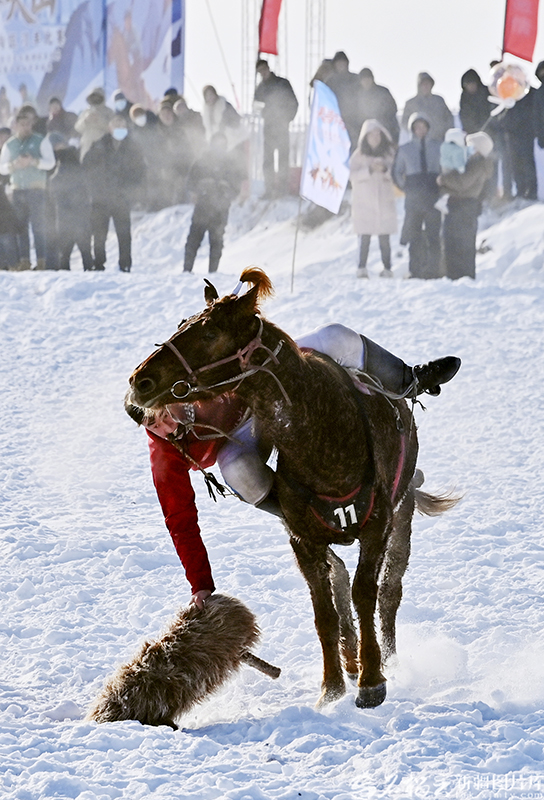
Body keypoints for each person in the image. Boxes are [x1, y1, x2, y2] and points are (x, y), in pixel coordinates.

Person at [125, 322, 461, 608]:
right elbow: (180, 520)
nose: (168, 426)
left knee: (334, 337)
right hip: (244, 435)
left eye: (164, 413)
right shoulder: (166, 454)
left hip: (261, 382)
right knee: (237, 471)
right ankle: (308, 518)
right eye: (156, 427)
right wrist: (201, 585)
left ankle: (409, 380)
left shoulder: (184, 378)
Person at [82, 114, 145, 272]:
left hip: (122, 197)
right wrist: (94, 188)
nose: (119, 129)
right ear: (110, 128)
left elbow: (140, 171)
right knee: (99, 234)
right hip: (100, 197)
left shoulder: (133, 147)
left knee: (124, 234)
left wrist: (132, 190)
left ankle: (125, 264)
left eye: (122, 126)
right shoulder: (98, 145)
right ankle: (99, 263)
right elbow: (86, 168)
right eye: (116, 125)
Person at [0, 109, 55, 270]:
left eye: (28, 124)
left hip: (36, 189)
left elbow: (51, 163)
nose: (25, 127)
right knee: (21, 227)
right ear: (16, 125)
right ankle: (24, 260)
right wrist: (14, 165)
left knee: (38, 226)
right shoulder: (10, 144)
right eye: (22, 124)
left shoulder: (40, 141)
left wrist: (34, 162)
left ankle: (41, 260)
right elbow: (2, 167)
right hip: (18, 189)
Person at [183, 132, 246, 273]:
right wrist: (202, 187)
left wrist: (225, 190)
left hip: (221, 209)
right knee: (194, 239)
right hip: (202, 206)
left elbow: (237, 187)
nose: (219, 147)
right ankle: (187, 270)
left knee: (216, 241)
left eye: (222, 144)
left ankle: (213, 272)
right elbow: (190, 182)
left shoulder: (231, 164)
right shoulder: (201, 161)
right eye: (217, 143)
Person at [438, 131, 495, 280]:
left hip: (463, 208)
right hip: (462, 206)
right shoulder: (473, 163)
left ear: (478, 148)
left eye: (470, 145)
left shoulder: (477, 165)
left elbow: (461, 183)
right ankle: (458, 276)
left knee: (460, 245)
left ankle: (461, 277)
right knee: (456, 244)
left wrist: (443, 180)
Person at [393, 112, 441, 279]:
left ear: (428, 128)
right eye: (417, 127)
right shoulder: (405, 149)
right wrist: (406, 187)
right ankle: (415, 270)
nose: (420, 130)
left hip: (433, 195)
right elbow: (397, 172)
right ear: (412, 129)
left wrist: (441, 186)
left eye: (423, 126)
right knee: (414, 235)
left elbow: (445, 168)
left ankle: (434, 270)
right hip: (414, 198)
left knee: (433, 234)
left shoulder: (437, 146)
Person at [349, 119, 397, 278]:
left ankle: (387, 267)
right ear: (365, 137)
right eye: (371, 135)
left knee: (385, 237)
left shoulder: (389, 155)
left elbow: (397, 173)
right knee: (364, 236)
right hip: (364, 202)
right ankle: (362, 267)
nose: (375, 138)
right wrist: (369, 170)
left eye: (378, 135)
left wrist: (384, 170)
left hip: (384, 201)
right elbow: (352, 176)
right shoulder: (358, 156)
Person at [254, 59, 298, 198]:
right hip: (268, 127)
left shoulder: (282, 83)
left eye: (264, 69)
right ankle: (269, 189)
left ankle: (282, 189)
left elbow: (293, 103)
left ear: (268, 68)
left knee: (283, 158)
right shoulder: (260, 89)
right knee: (268, 159)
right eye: (260, 71)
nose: (263, 72)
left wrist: (287, 118)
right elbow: (256, 107)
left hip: (282, 126)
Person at [48, 142, 93, 271]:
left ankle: (64, 273)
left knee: (64, 253)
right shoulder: (82, 173)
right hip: (82, 217)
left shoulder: (57, 175)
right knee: (85, 250)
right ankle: (89, 271)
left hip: (64, 218)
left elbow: (52, 194)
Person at [325, 51, 363, 150]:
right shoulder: (330, 82)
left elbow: (364, 98)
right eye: (339, 63)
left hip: (355, 121)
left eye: (343, 63)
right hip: (336, 122)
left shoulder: (356, 79)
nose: (341, 65)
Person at [401, 72, 453, 142]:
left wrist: (445, 132)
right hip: (418, 143)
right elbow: (404, 122)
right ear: (419, 86)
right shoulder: (411, 103)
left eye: (428, 83)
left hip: (439, 140)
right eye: (423, 84)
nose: (426, 86)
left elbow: (449, 119)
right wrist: (417, 132)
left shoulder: (439, 101)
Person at [357, 68, 399, 144]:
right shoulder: (357, 96)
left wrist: (394, 139)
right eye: (364, 79)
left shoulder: (383, 92)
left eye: (368, 78)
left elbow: (393, 110)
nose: (366, 81)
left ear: (372, 79)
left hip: (384, 134)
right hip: (365, 137)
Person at [75, 88, 114, 161]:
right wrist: (86, 120)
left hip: (102, 143)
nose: (95, 99)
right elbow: (77, 128)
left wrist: (99, 120)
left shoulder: (109, 112)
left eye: (98, 96)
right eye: (94, 96)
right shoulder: (85, 112)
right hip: (86, 144)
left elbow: (112, 129)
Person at [459, 69, 493, 135]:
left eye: (472, 83)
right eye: (468, 84)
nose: (471, 86)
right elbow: (464, 116)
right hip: (472, 133)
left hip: (490, 131)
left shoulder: (487, 93)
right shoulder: (464, 98)